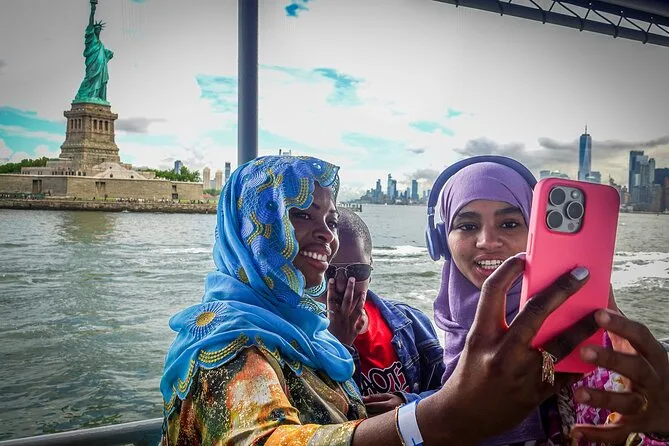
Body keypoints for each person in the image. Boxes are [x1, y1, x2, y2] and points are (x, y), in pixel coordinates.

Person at [160, 155, 665, 446]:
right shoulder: (224, 341)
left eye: (330, 220)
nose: (325, 235)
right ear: (248, 227)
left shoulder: (306, 331)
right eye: (299, 214)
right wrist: (434, 415)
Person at [431, 158, 669, 445]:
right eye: (468, 226)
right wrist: (418, 407)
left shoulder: (590, 340)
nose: (487, 241)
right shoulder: (443, 332)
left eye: (510, 223)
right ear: (441, 241)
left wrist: (660, 427)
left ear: (535, 232)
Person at [320, 208, 444, 412]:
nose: (342, 284)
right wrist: (338, 345)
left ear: (371, 267)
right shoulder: (297, 338)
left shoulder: (412, 323)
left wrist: (408, 405)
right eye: (329, 271)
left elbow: (450, 392)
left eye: (356, 271)